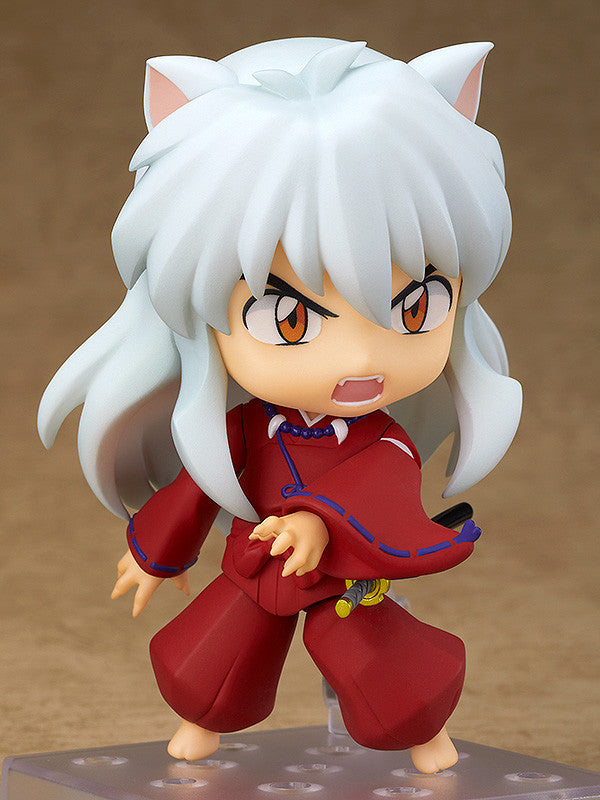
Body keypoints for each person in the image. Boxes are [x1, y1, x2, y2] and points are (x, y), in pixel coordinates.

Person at [38, 37, 522, 773]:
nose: (359, 359)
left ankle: (428, 735)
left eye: (417, 305)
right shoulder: (243, 428)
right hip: (254, 569)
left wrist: (320, 526)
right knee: (214, 654)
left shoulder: (384, 442)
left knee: (382, 670)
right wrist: (155, 553)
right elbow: (197, 488)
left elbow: (385, 491)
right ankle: (200, 726)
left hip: (344, 583)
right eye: (289, 318)